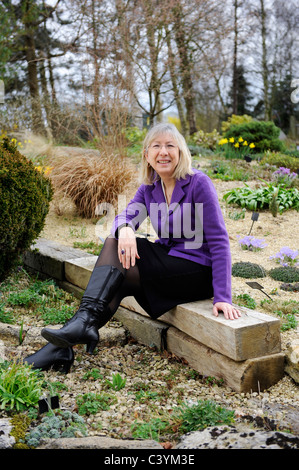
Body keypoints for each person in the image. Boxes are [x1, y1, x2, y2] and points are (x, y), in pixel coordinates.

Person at [25, 123, 241, 372]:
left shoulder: (197, 183)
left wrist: (223, 297)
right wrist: (126, 228)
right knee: (120, 266)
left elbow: (219, 240)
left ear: (181, 152)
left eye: (170, 146)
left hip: (196, 269)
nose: (163, 152)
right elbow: (124, 216)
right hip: (169, 262)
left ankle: (72, 334)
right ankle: (63, 345)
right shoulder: (150, 188)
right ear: (147, 155)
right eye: (156, 146)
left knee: (119, 258)